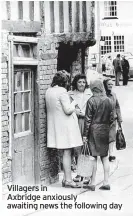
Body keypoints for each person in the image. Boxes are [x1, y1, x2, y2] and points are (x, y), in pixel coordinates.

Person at [45, 71, 83, 188]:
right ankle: (68, 180)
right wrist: (74, 103)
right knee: (67, 152)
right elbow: (67, 110)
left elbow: (55, 109)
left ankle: (66, 179)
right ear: (64, 81)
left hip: (56, 126)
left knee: (64, 153)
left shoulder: (49, 91)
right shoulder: (62, 92)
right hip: (65, 126)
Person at [83, 79, 114, 191]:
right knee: (105, 157)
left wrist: (85, 135)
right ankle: (106, 181)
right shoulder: (108, 100)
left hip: (93, 131)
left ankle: (93, 181)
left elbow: (87, 120)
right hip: (104, 130)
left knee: (93, 157)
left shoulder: (91, 101)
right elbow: (112, 118)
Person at [69, 74, 92, 183]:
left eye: (83, 82)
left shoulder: (90, 94)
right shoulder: (70, 94)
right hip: (75, 122)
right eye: (79, 82)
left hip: (87, 123)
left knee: (86, 148)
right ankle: (79, 173)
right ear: (75, 83)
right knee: (77, 148)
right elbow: (67, 108)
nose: (82, 84)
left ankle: (87, 175)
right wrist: (75, 111)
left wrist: (86, 113)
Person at [103, 78, 122, 162]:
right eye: (109, 84)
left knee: (112, 137)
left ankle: (111, 154)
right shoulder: (102, 95)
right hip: (103, 120)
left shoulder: (113, 95)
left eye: (111, 84)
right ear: (105, 85)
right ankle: (104, 152)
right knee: (104, 137)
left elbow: (117, 106)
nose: (110, 86)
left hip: (113, 119)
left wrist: (119, 118)